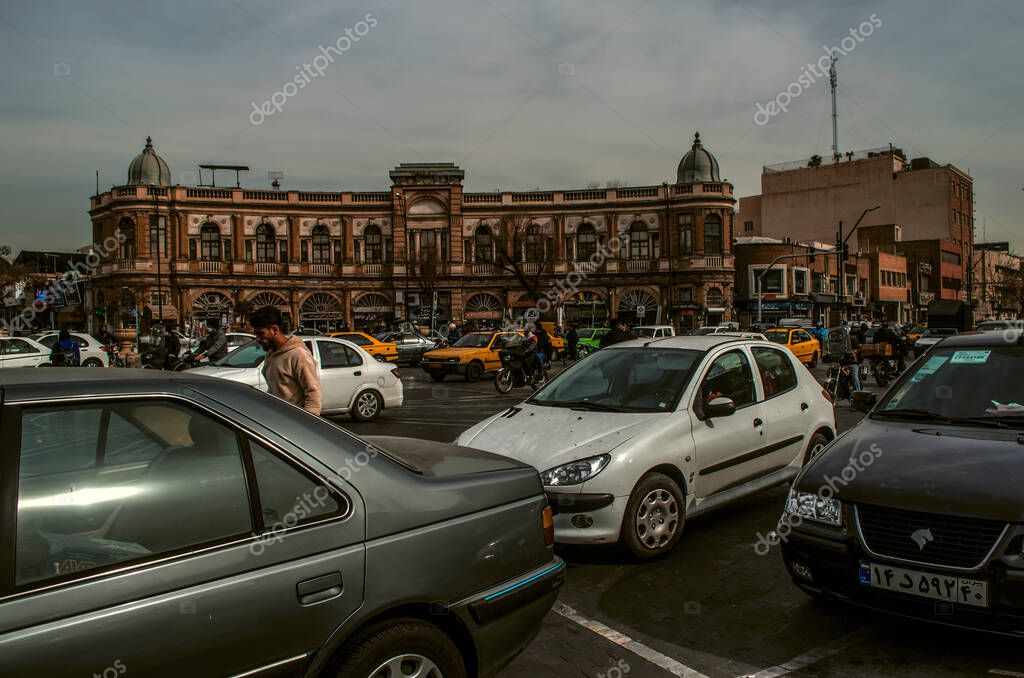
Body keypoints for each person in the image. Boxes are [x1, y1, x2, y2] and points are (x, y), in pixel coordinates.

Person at [250, 306, 322, 415]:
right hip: (278, 421)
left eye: (261, 333)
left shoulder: (298, 355)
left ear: (274, 330)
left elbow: (314, 397)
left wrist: (305, 426)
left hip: (293, 425)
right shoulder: (271, 353)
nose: (257, 339)